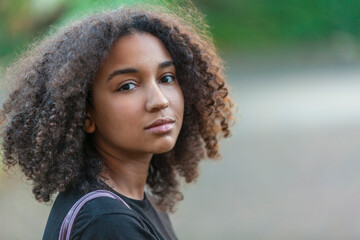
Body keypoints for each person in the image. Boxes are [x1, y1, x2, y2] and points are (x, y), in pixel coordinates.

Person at [0, 4, 233, 240]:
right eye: (127, 86)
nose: (160, 101)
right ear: (85, 114)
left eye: (166, 78)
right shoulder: (108, 223)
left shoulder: (121, 203)